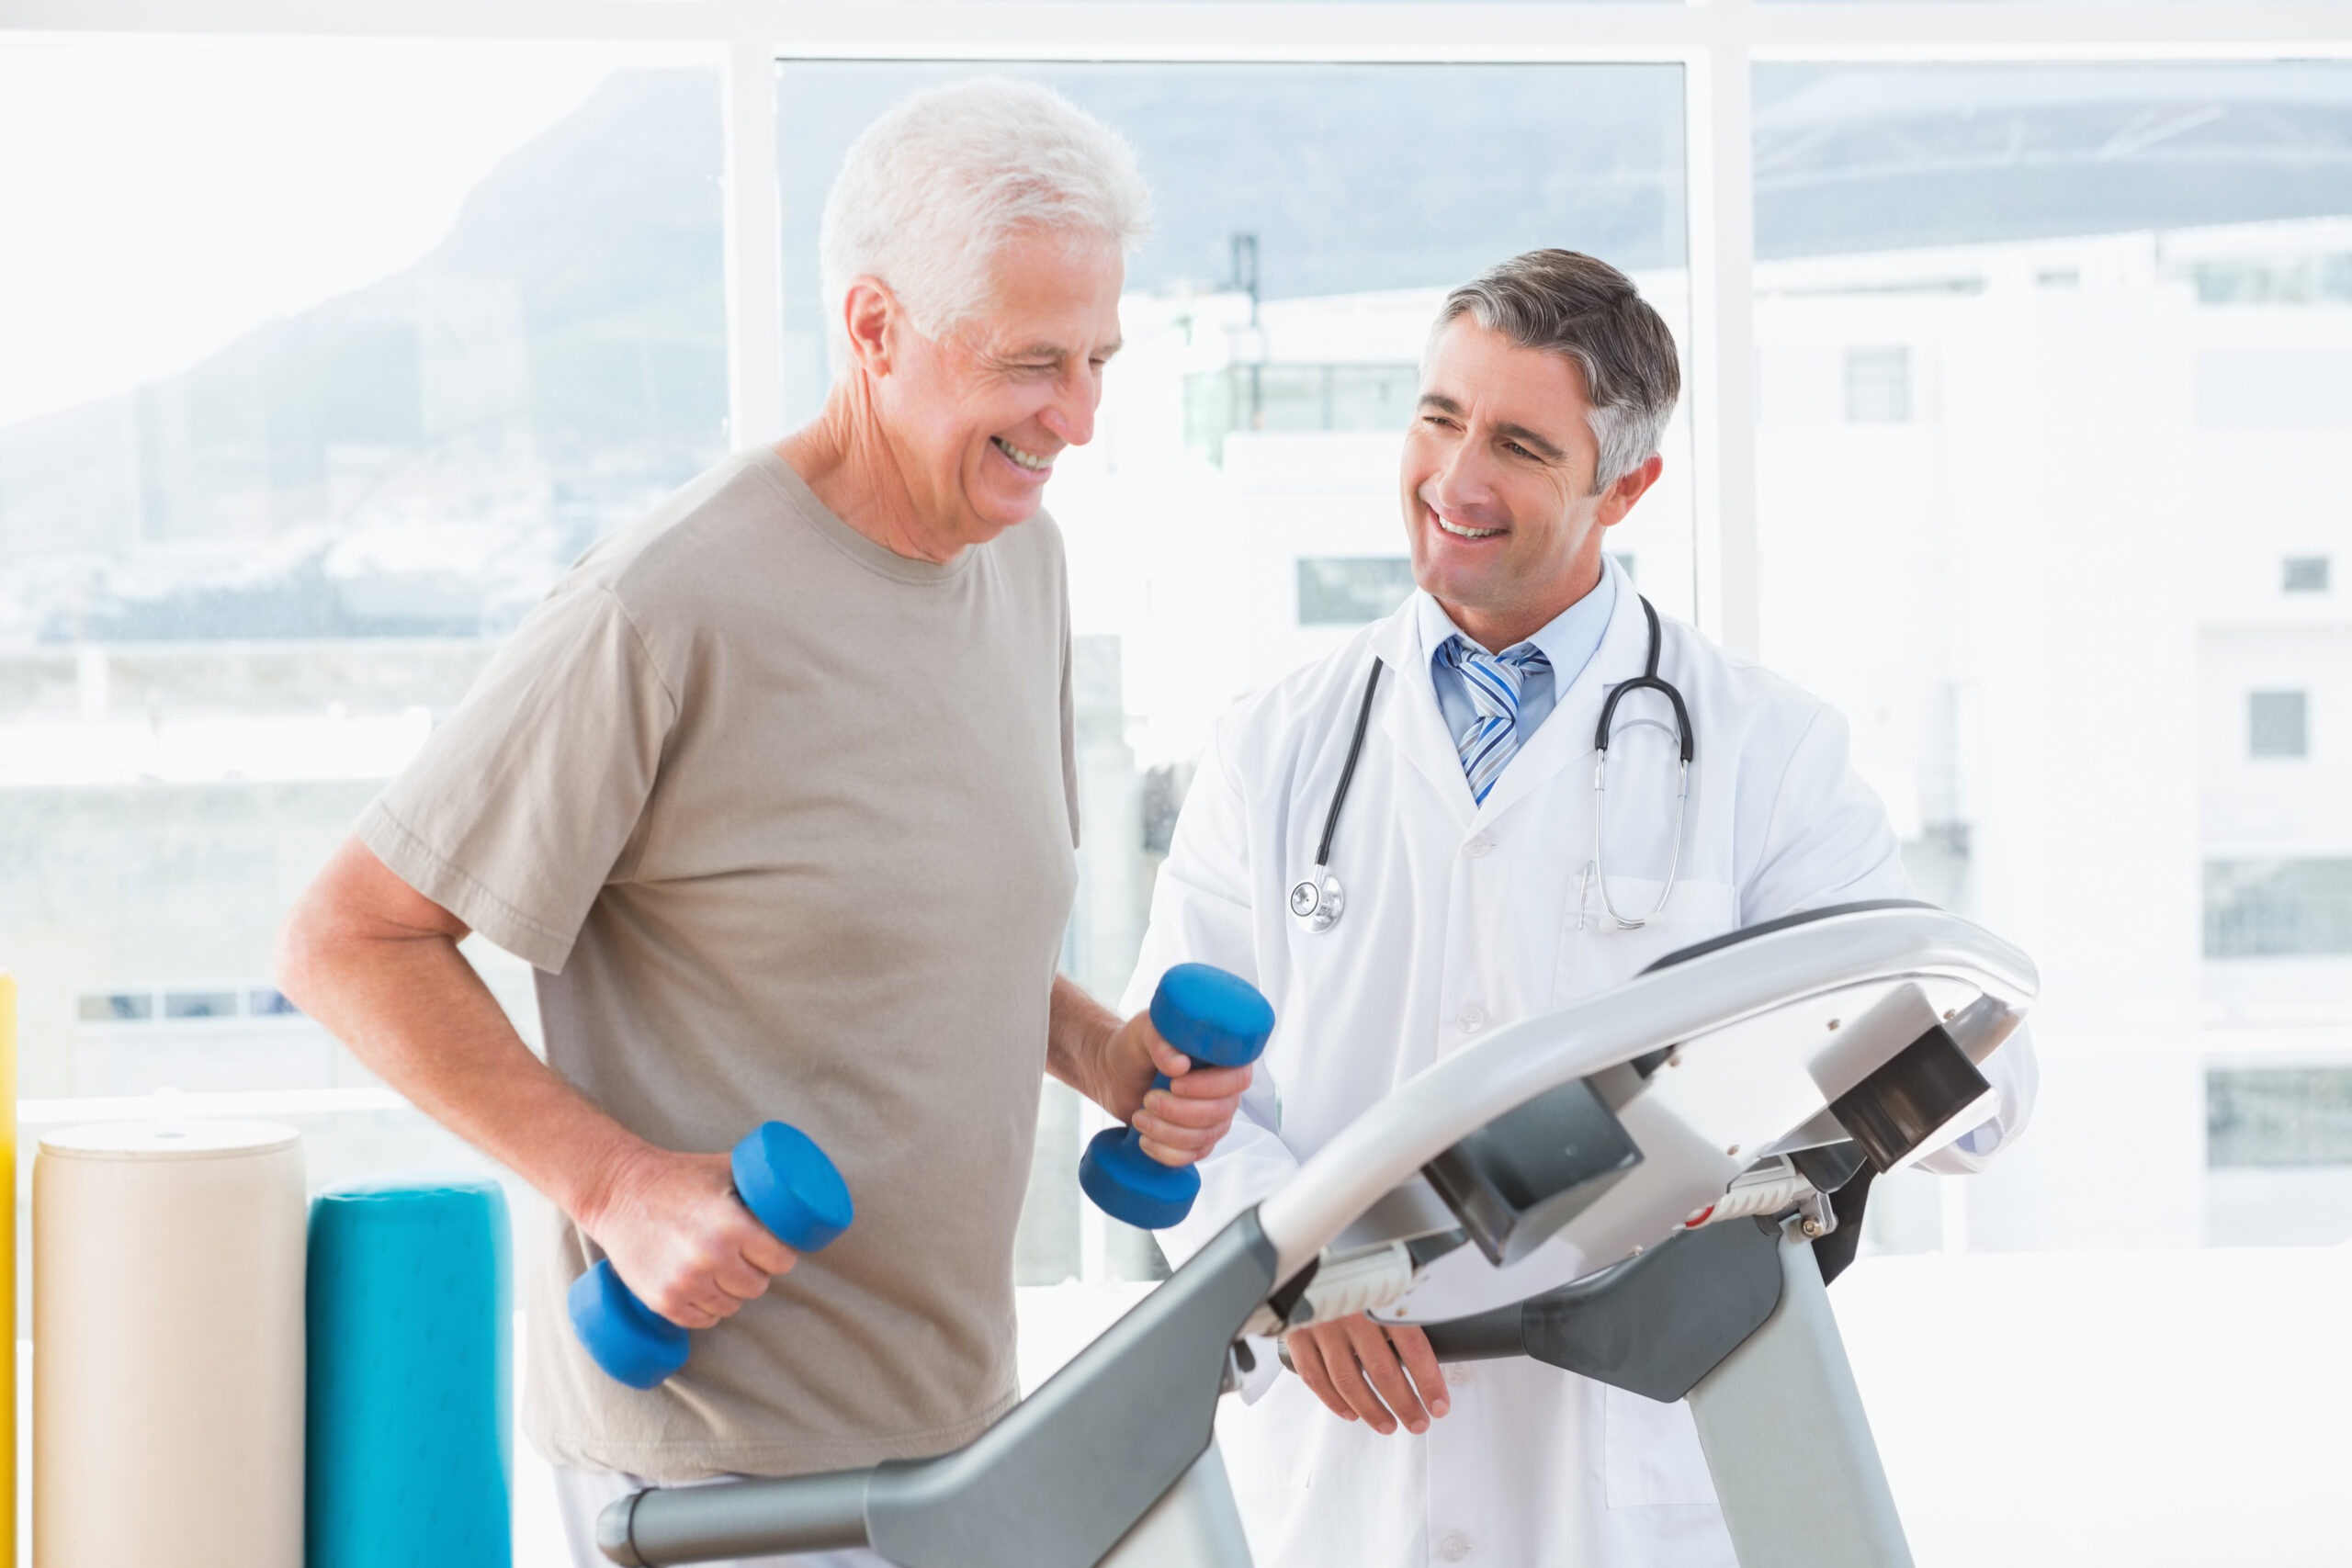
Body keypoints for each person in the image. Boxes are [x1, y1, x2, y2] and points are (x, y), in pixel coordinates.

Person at [277, 78, 1251, 1568]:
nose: (1081, 418)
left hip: (958, 1431)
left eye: (1102, 359)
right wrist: (615, 1187)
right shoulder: (666, 603)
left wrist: (1103, 1056)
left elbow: (921, 928)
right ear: (874, 330)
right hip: (728, 1485)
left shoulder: (1021, 561)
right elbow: (349, 939)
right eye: (1035, 363)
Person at [1129, 249, 2039, 1568]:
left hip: (1626, 1455)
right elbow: (1184, 1095)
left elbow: (1957, 1069)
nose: (1456, 480)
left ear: (1629, 484)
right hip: (1345, 1463)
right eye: (1439, 418)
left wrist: (1825, 1112)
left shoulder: (1764, 749)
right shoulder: (1277, 747)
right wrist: (1287, 1275)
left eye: (1517, 444)